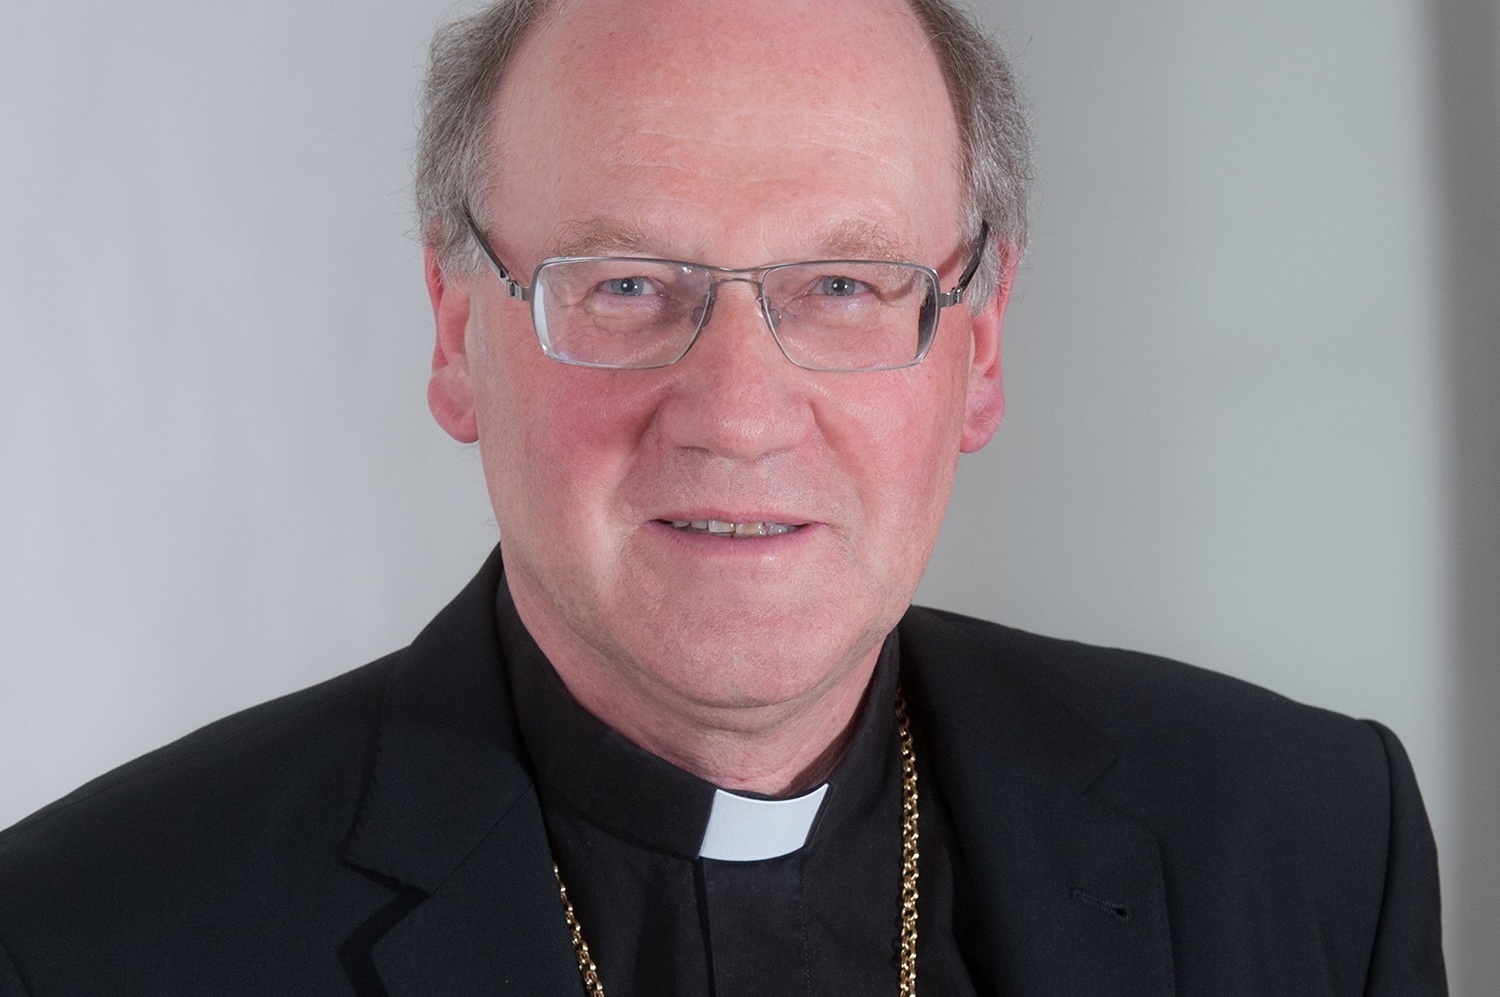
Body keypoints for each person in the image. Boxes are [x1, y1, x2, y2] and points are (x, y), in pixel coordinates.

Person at [0, 0, 1446, 993]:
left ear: (981, 349)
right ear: (455, 336)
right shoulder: (84, 938)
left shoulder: (1302, 843)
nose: (741, 417)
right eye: (628, 285)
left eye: (845, 286)